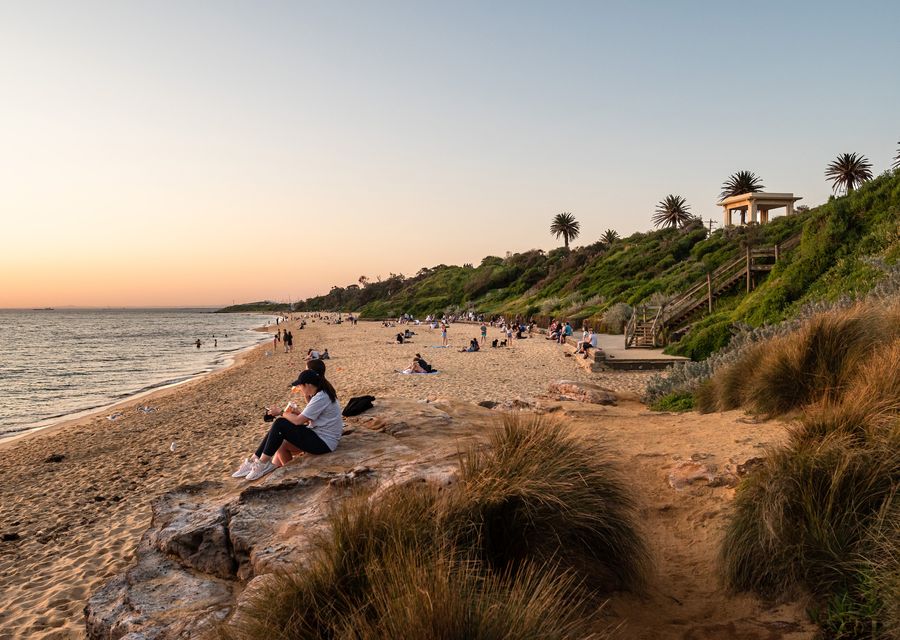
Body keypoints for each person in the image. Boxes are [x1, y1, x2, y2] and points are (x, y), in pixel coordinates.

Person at [232, 370, 343, 481]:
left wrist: (281, 412)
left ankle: (263, 463)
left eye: (300, 385)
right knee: (281, 443)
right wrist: (296, 412)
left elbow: (299, 421)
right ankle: (260, 462)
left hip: (324, 442)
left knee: (280, 423)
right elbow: (309, 420)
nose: (299, 388)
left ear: (308, 385)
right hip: (321, 436)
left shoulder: (321, 397)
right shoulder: (322, 394)